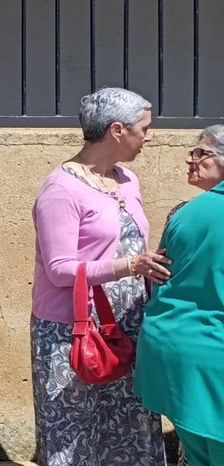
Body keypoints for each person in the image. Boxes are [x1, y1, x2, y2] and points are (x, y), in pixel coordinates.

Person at [30, 87, 167, 466]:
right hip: (74, 330)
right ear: (118, 130)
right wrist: (130, 266)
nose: (148, 137)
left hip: (126, 325)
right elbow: (59, 271)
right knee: (73, 435)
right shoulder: (61, 189)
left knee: (129, 427)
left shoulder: (127, 180)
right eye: (143, 128)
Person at [137, 125, 224, 465]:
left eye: (201, 153)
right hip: (212, 352)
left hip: (171, 347)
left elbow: (161, 275)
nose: (191, 159)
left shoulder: (183, 213)